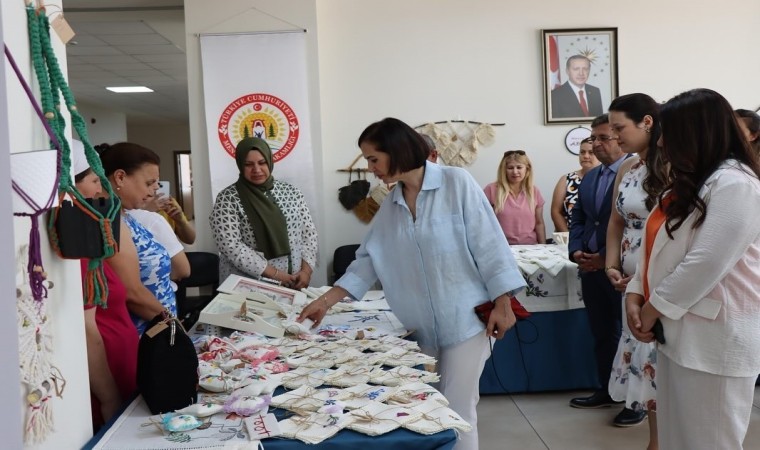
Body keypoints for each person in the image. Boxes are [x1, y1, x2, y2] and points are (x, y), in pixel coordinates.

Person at [298, 117, 526, 450]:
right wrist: (323, 302)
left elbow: (490, 245)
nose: (370, 168)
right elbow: (368, 260)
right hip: (419, 327)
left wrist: (504, 302)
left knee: (457, 411)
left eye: (374, 159)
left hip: (466, 320)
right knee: (426, 410)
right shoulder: (392, 204)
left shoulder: (456, 183)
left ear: (396, 151)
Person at [626, 88, 760, 449]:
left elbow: (705, 263)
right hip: (680, 332)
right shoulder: (694, 181)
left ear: (698, 133)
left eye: (669, 133)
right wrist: (635, 292)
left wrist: (651, 310)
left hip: (715, 339)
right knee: (678, 439)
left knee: (709, 441)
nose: (662, 143)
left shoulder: (737, 184)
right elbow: (656, 247)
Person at [603, 94, 669, 440]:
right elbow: (616, 221)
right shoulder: (628, 167)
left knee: (659, 361)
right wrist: (611, 264)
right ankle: (655, 440)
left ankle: (662, 441)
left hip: (657, 280)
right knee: (643, 363)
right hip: (628, 282)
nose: (614, 136)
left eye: (619, 128)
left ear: (647, 122)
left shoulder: (673, 166)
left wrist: (641, 278)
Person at [568, 114, 633, 415]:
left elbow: (632, 225)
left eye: (603, 138)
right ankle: (607, 388)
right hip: (591, 268)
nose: (596, 144)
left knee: (629, 334)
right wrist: (576, 250)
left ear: (620, 139)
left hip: (622, 268)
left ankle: (633, 399)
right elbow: (579, 217)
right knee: (602, 333)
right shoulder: (591, 176)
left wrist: (606, 257)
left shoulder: (635, 173)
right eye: (593, 138)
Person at [71, 140, 138, 428]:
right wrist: (109, 397)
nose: (101, 190)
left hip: (122, 372)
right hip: (106, 387)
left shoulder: (86, 238)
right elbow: (87, 330)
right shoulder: (72, 250)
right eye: (95, 180)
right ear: (72, 187)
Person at [210, 137, 318, 289]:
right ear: (240, 165)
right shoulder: (228, 199)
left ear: (269, 161)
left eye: (262, 162)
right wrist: (277, 275)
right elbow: (231, 247)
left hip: (294, 281)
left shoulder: (292, 192)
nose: (257, 169)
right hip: (248, 286)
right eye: (248, 164)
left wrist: (306, 272)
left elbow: (309, 234)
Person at [98, 142, 178, 334]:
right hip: (144, 333)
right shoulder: (109, 220)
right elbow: (132, 292)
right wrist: (174, 327)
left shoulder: (126, 216)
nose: (153, 190)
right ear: (120, 177)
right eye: (149, 183)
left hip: (160, 328)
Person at [484, 150, 546, 244]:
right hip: (502, 247)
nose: (515, 171)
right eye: (510, 168)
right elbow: (483, 223)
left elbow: (539, 223)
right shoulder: (491, 190)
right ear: (504, 170)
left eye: (519, 167)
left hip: (531, 247)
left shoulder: (534, 191)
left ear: (527, 169)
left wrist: (544, 247)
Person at [550, 138, 600, 232]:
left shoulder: (607, 179)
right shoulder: (566, 179)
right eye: (582, 152)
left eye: (591, 152)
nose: (586, 156)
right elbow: (556, 211)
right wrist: (567, 236)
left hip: (599, 236)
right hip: (569, 234)